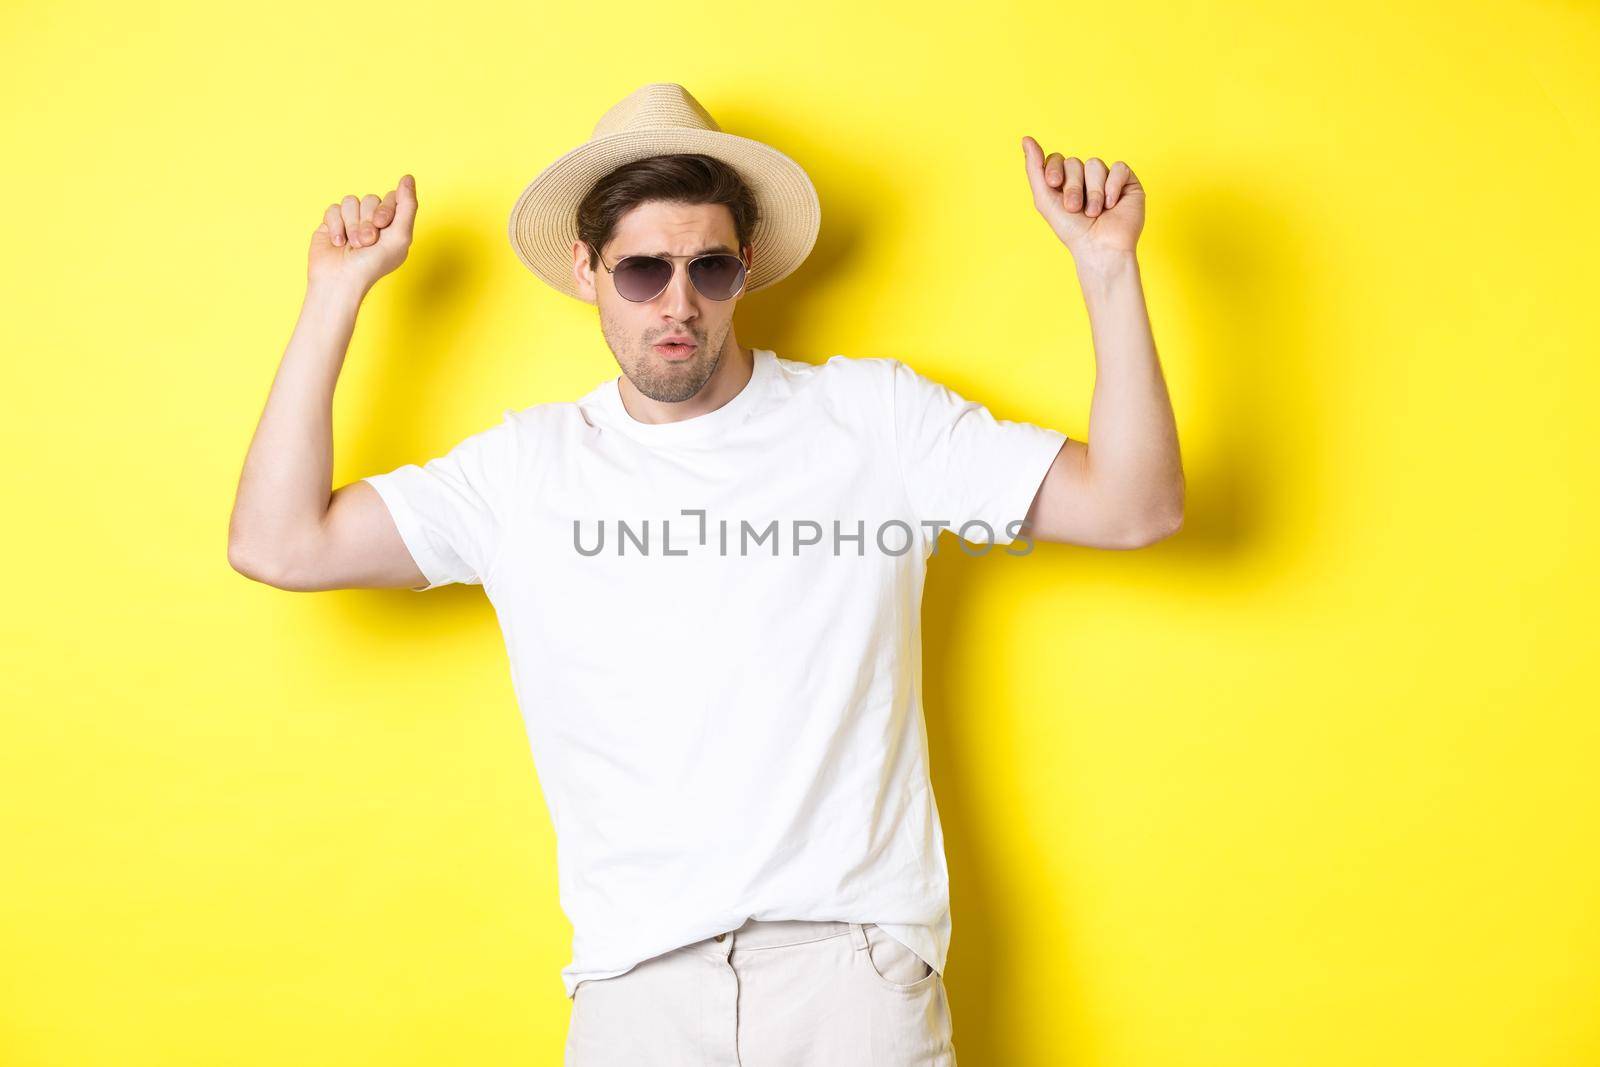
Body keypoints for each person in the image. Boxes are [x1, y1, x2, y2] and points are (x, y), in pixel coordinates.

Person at [226, 82, 1183, 1067]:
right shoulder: (523, 471)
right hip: (634, 989)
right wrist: (334, 296)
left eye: (708, 267)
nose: (676, 304)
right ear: (585, 268)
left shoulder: (872, 420)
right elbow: (277, 542)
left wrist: (1107, 271)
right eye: (641, 271)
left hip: (848, 975)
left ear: (746, 268)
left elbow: (1133, 505)